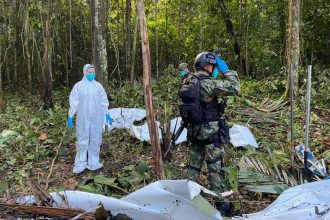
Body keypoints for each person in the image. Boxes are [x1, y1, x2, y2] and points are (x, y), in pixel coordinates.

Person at [186, 52, 240, 215]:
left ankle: (189, 197)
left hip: (194, 132)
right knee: (215, 168)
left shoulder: (188, 81)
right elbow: (235, 87)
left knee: (194, 167)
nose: (213, 68)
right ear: (207, 66)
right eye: (212, 65)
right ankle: (222, 205)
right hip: (210, 134)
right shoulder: (209, 84)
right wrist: (227, 71)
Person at [67, 64, 112, 174]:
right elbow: (74, 101)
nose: (91, 74)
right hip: (83, 118)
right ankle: (80, 164)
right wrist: (70, 116)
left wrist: (107, 114)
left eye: (93, 72)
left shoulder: (98, 86)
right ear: (84, 72)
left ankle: (94, 162)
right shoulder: (79, 86)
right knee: (82, 140)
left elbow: (104, 101)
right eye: (89, 72)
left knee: (95, 140)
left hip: (97, 118)